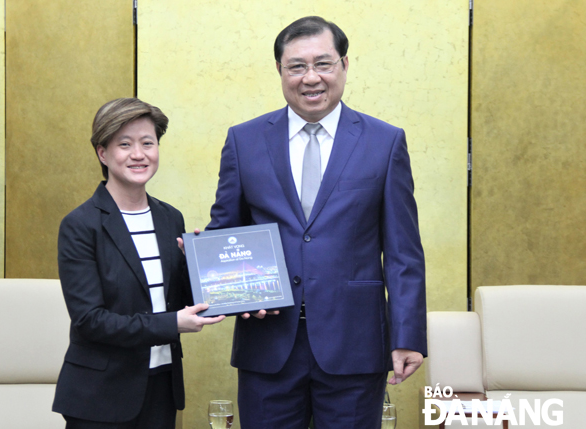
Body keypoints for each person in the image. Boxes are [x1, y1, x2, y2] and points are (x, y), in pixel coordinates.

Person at [206, 16, 427, 428]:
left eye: (323, 64)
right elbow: (227, 230)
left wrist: (407, 336)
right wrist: (210, 259)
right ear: (279, 71)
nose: (311, 78)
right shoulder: (244, 140)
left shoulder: (385, 141)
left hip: (355, 343)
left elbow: (403, 253)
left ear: (344, 65)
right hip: (268, 343)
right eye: (297, 66)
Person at [52, 98, 225, 429]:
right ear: (102, 153)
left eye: (148, 143)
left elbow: (177, 299)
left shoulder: (169, 217)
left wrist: (201, 267)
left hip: (161, 385)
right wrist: (170, 324)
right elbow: (90, 321)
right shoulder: (80, 225)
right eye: (125, 144)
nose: (138, 154)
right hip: (100, 396)